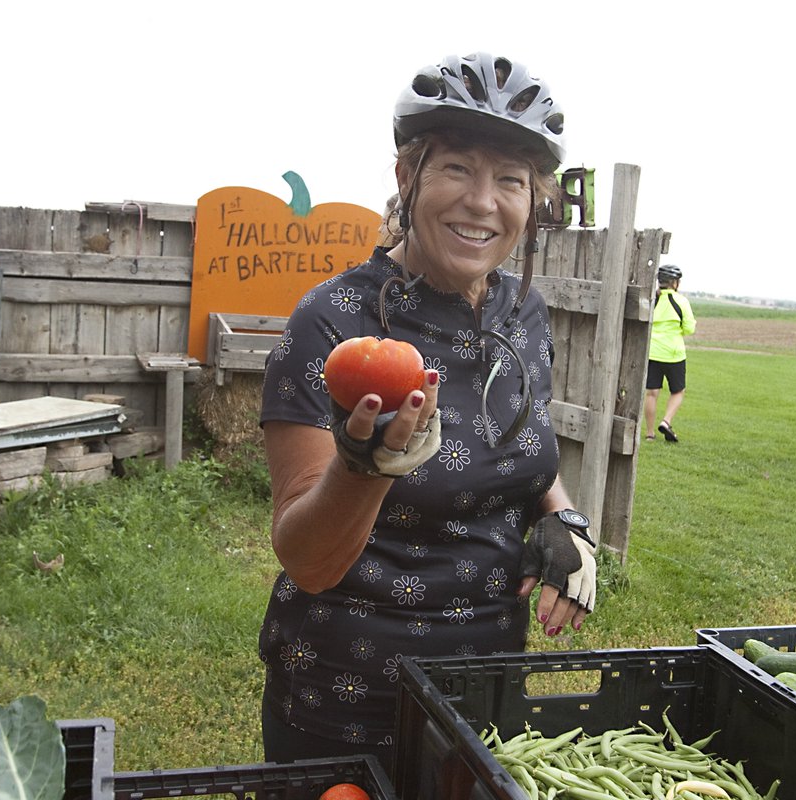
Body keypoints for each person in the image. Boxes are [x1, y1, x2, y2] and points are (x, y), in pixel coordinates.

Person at [258, 52, 596, 771]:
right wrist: (366, 467)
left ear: (534, 201)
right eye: (457, 169)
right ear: (407, 176)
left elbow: (519, 449)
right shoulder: (332, 320)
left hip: (487, 686)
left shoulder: (525, 314)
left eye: (510, 179)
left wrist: (562, 517)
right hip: (345, 696)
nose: (483, 201)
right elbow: (307, 559)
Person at [644, 264, 696, 443]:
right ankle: (666, 422)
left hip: (652, 353)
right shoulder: (681, 301)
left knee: (651, 393)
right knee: (678, 391)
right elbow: (689, 328)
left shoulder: (652, 300)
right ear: (675, 283)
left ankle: (650, 434)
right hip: (674, 354)